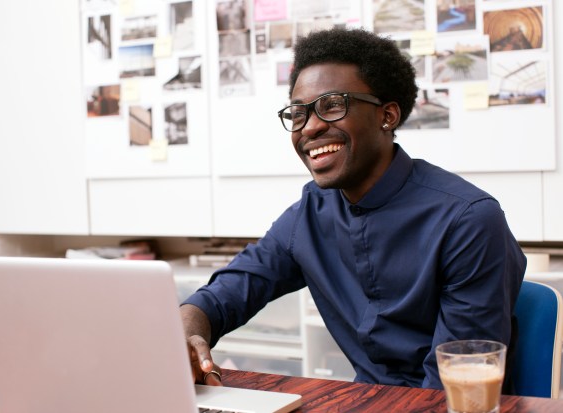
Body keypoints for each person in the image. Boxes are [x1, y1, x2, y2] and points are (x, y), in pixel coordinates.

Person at [180, 28, 526, 390]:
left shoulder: (468, 220)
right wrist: (189, 331)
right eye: (299, 113)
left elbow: (454, 385)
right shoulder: (309, 213)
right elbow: (229, 292)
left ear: (387, 116)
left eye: (332, 105)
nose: (310, 127)